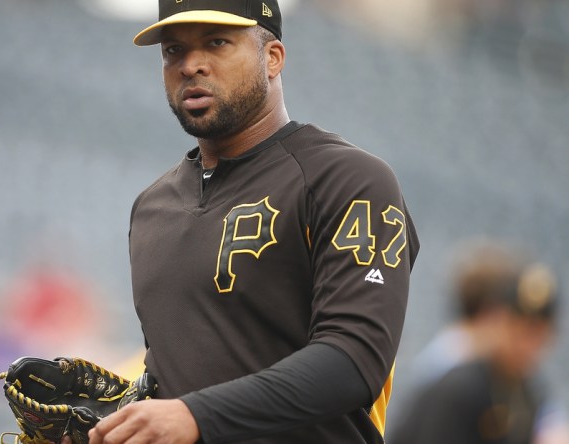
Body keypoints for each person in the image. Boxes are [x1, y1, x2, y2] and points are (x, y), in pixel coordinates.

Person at [88, 1, 419, 442]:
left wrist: (196, 416)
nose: (191, 66)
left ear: (273, 57)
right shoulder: (151, 208)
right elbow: (176, 385)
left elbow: (354, 359)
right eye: (173, 51)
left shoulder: (346, 179)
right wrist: (109, 427)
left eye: (217, 43)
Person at [387, 242, 566, 444]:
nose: (526, 345)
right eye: (518, 330)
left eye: (537, 334)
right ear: (496, 321)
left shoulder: (527, 392)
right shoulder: (459, 387)